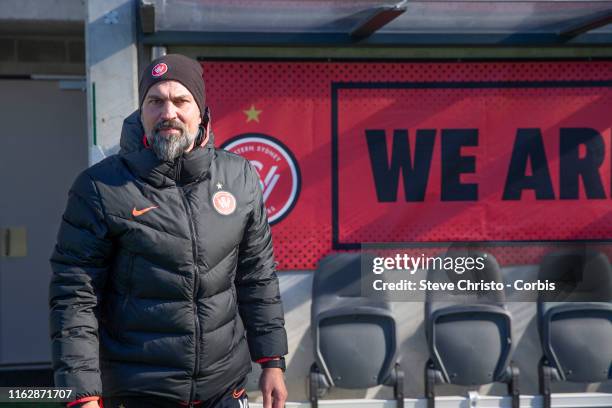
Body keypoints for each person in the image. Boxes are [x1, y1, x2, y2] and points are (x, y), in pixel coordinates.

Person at [49, 54, 288, 408]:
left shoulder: (240, 177)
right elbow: (75, 297)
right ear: (141, 111)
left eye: (180, 101)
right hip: (139, 392)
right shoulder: (100, 187)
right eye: (155, 101)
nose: (168, 113)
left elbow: (258, 276)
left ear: (201, 110)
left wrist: (272, 361)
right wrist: (83, 395)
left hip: (225, 389)